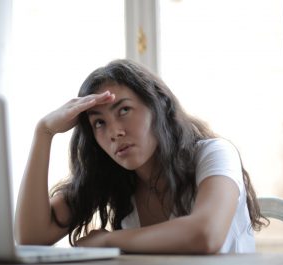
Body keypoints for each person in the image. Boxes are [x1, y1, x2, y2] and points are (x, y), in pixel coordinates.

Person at [15, 59, 267, 254]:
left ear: (158, 106)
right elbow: (31, 237)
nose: (115, 132)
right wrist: (44, 132)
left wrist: (107, 240)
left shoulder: (214, 154)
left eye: (124, 109)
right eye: (99, 123)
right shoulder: (113, 176)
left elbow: (206, 234)